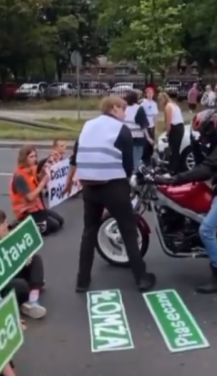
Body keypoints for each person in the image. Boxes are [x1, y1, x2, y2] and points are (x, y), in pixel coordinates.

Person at [64, 96, 156, 293]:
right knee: (128, 230)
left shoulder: (87, 125)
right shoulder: (121, 129)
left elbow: (76, 153)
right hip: (113, 186)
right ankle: (141, 278)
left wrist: (69, 179)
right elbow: (128, 165)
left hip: (89, 186)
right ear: (113, 108)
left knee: (89, 231)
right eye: (123, 109)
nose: (125, 113)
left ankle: (82, 281)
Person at [153, 110, 217, 293]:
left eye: (203, 132)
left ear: (211, 129)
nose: (201, 137)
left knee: (206, 229)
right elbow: (203, 163)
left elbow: (204, 169)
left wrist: (173, 179)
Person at [11, 146, 64, 235]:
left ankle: (32, 222)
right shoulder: (19, 176)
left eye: (35, 156)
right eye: (31, 157)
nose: (34, 159)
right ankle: (20, 224)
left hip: (37, 208)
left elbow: (39, 170)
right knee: (53, 226)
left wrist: (50, 158)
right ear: (24, 158)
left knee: (60, 221)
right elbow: (30, 198)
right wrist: (42, 183)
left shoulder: (31, 169)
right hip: (26, 211)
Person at [122, 90, 150, 174]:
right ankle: (135, 175)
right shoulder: (139, 108)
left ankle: (128, 173)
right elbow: (143, 125)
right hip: (138, 137)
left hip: (126, 136)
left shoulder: (124, 108)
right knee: (137, 158)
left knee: (128, 156)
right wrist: (148, 138)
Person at [159, 92, 187, 172]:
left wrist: (167, 134)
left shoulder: (168, 107)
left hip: (175, 128)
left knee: (173, 150)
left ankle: (173, 169)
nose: (160, 102)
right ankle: (175, 167)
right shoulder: (174, 105)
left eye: (160, 100)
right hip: (180, 127)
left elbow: (168, 123)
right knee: (176, 149)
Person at [141, 86, 160, 164]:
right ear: (146, 94)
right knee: (146, 142)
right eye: (148, 93)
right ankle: (144, 159)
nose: (150, 95)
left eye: (151, 93)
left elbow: (155, 116)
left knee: (152, 142)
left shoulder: (154, 104)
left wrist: (155, 126)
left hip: (152, 126)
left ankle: (150, 157)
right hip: (146, 126)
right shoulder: (143, 103)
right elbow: (142, 116)